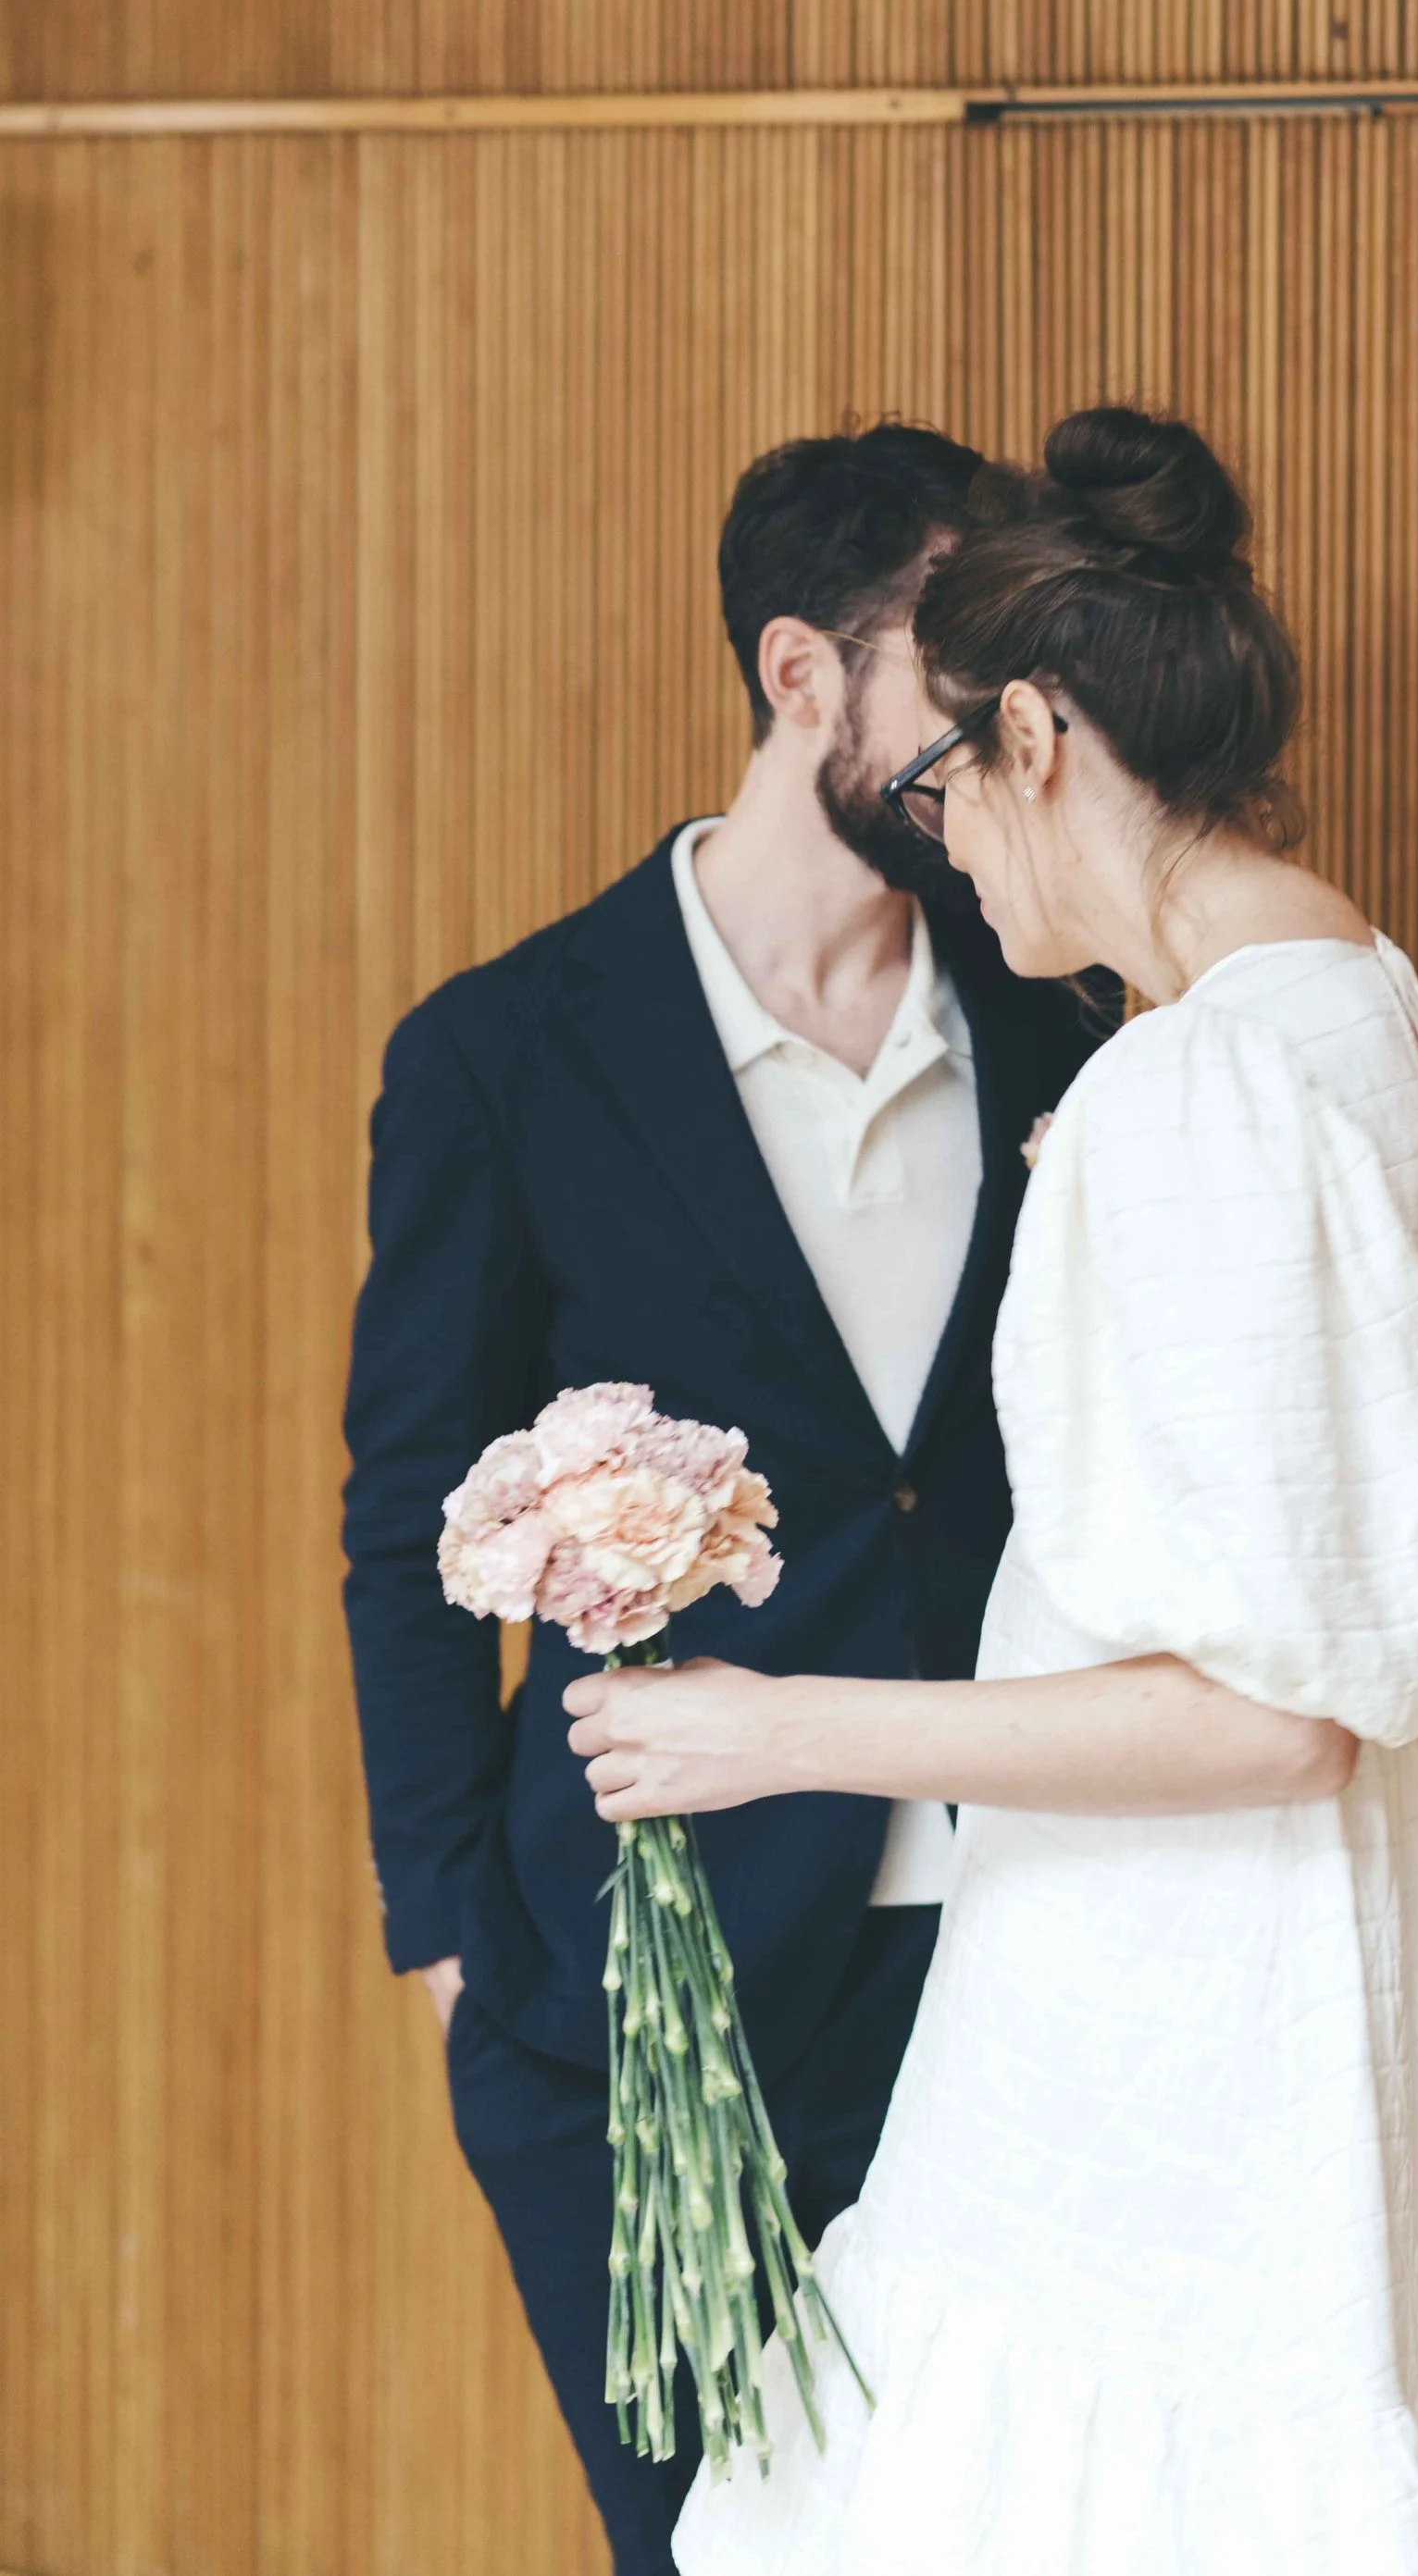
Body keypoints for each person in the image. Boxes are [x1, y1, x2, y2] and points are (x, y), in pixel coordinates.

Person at [567, 404, 1418, 2576]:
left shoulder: (1197, 1084)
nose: (950, 853)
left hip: (1169, 1956)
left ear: (1046, 731)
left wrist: (761, 1731)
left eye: (951, 785)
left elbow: (1270, 1704)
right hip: (1269, 1927)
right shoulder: (1359, 1002)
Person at [340, 421, 1106, 2576]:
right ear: (799, 676)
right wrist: (452, 1958)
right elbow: (409, 1527)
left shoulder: (1052, 1029)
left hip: (1011, 1968)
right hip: (646, 1991)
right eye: (953, 671)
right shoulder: (507, 1052)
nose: (1000, 729)